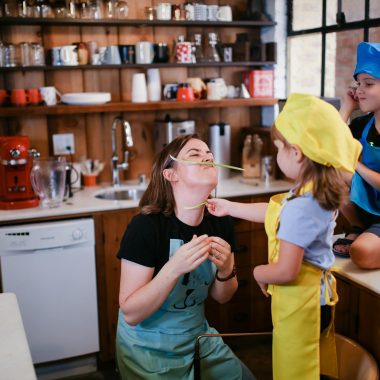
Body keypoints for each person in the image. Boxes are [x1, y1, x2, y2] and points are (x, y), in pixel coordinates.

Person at [206, 94, 362, 380]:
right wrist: (230, 207)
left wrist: (258, 272)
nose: (275, 156)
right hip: (319, 301)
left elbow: (287, 270)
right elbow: (276, 211)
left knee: (298, 372)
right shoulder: (313, 192)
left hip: (302, 308)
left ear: (297, 152)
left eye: (278, 148)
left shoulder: (303, 206)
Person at [115, 134, 256, 380]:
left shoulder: (220, 219)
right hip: (147, 349)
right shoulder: (146, 227)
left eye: (209, 155)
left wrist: (227, 268)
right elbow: (131, 313)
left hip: (198, 339)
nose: (208, 158)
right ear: (171, 175)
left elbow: (223, 297)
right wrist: (174, 268)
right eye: (195, 154)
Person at [333, 41, 380, 269]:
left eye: (368, 83)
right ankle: (358, 226)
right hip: (370, 209)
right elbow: (328, 147)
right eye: (358, 83)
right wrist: (347, 107)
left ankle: (366, 236)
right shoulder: (362, 125)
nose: (359, 90)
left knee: (361, 253)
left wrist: (356, 165)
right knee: (330, 168)